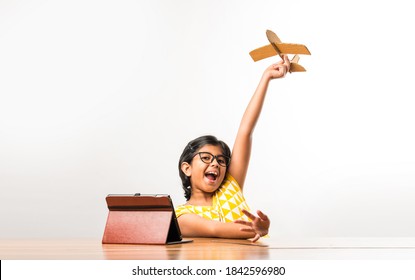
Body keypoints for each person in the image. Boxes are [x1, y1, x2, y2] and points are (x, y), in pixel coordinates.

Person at [176, 55, 291, 242]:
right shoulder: (181, 216)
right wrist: (255, 229)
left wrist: (266, 77)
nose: (215, 163)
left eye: (221, 160)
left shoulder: (230, 186)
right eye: (206, 157)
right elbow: (214, 228)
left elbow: (245, 131)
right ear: (186, 167)